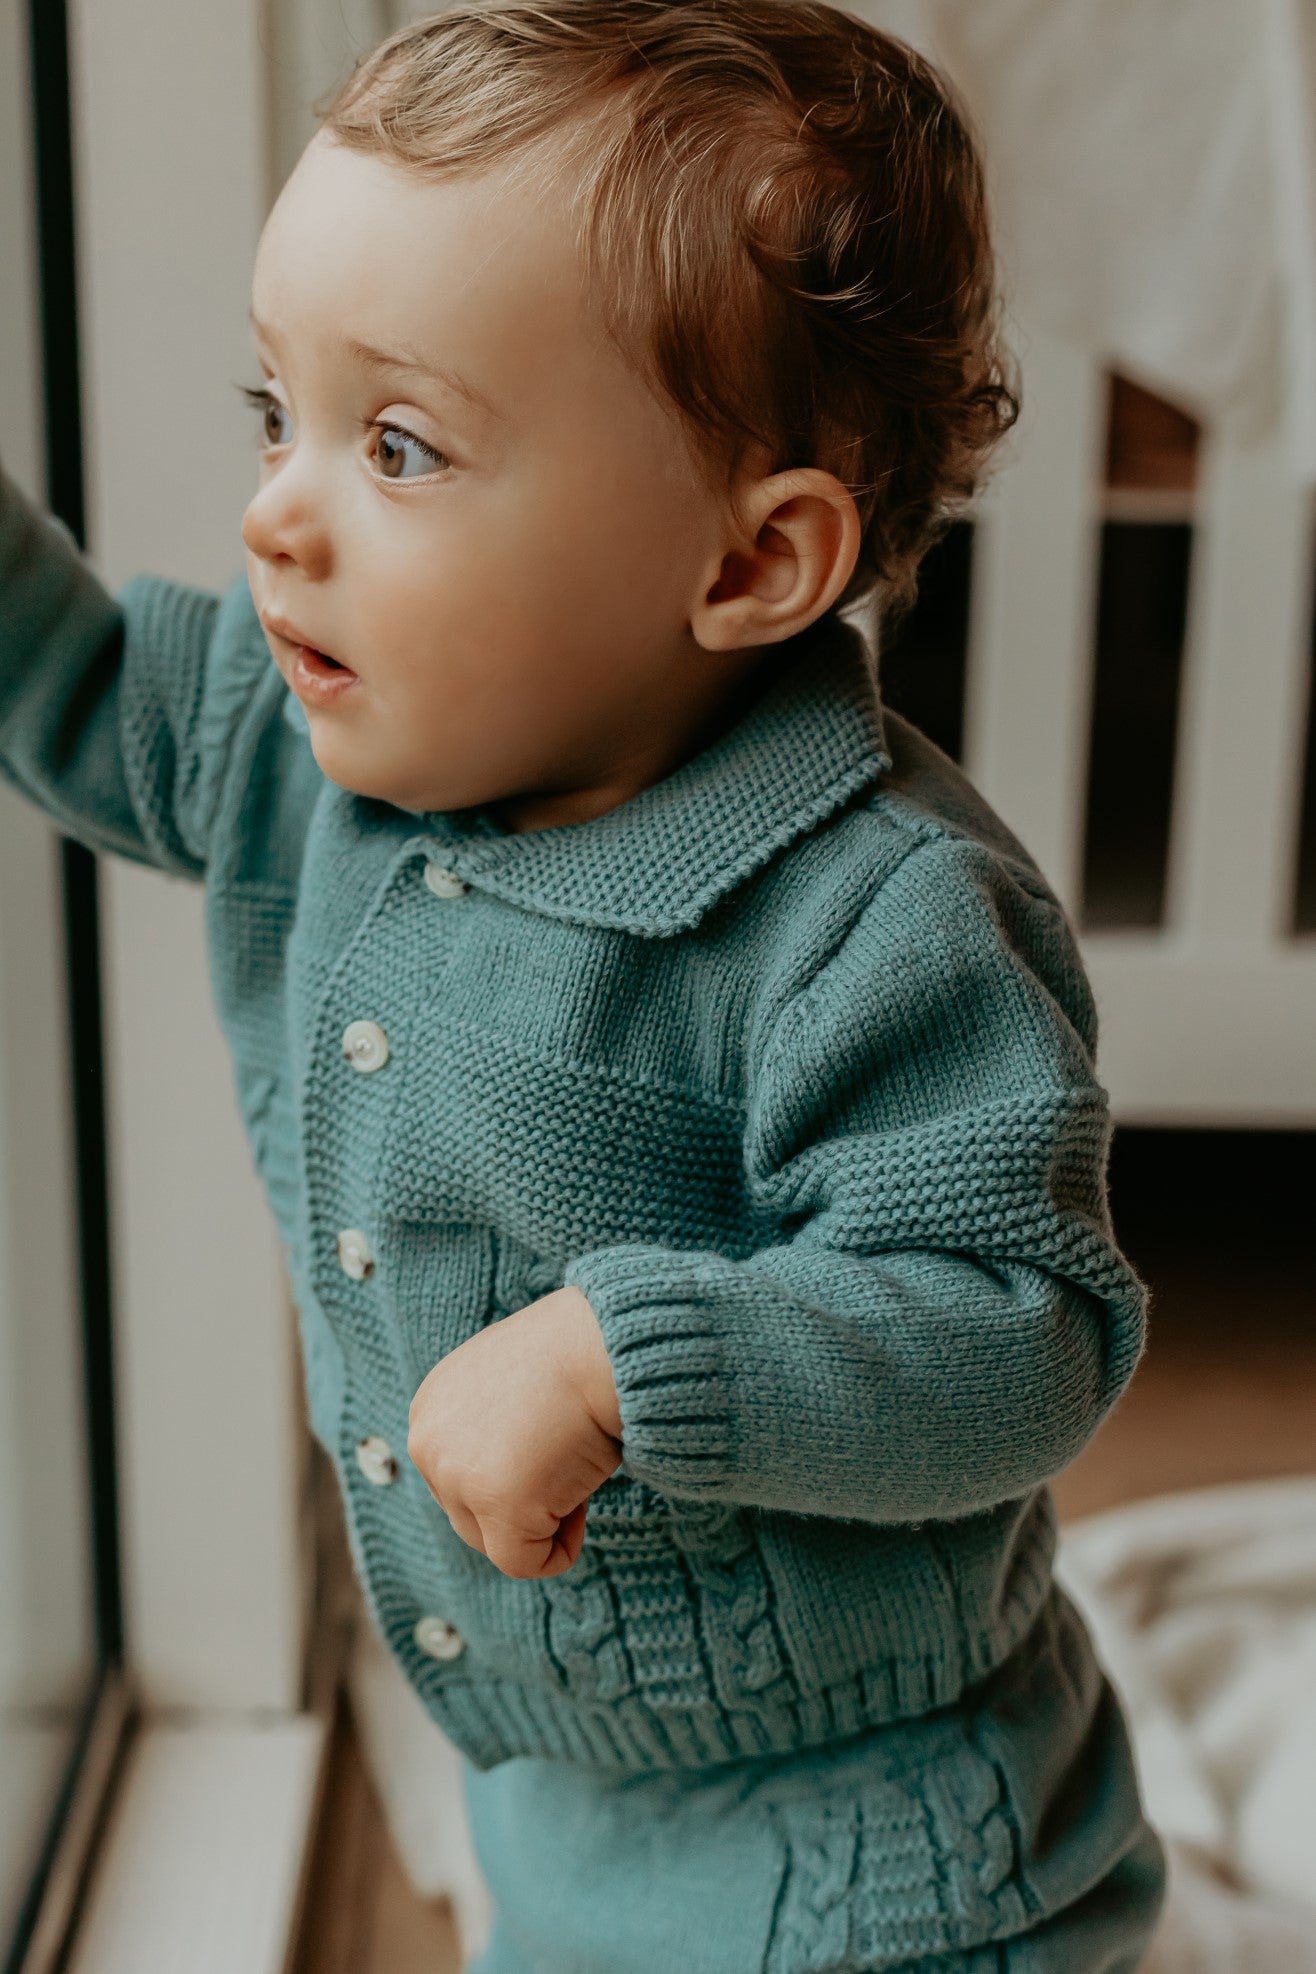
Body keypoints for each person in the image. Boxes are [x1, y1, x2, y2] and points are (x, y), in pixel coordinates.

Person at [0, 2, 1166, 1966]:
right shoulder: (314, 757)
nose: (276, 514)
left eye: (396, 445)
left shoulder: (875, 922)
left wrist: (624, 1364)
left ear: (747, 563)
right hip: (559, 1803)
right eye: (269, 412)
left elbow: (1018, 1331)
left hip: (884, 1869)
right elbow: (84, 691)